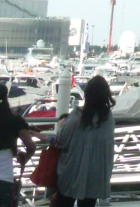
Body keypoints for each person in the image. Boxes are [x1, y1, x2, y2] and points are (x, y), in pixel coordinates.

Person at [55, 75, 116, 207]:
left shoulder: (77, 116)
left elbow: (61, 140)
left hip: (72, 173)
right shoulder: (108, 119)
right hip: (95, 174)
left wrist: (61, 126)